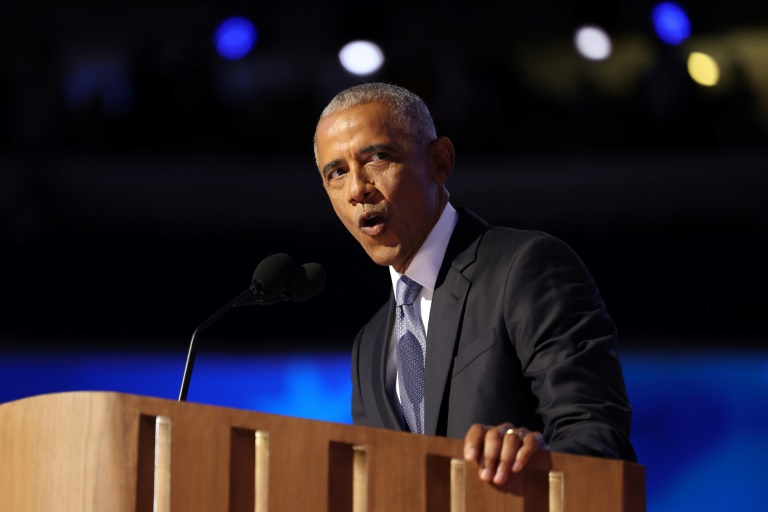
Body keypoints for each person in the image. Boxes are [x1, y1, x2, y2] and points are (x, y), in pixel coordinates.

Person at [313, 83, 636, 486]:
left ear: (439, 162)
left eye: (378, 157)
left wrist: (534, 460)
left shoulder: (523, 267)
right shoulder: (371, 343)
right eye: (337, 172)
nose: (357, 189)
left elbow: (598, 437)